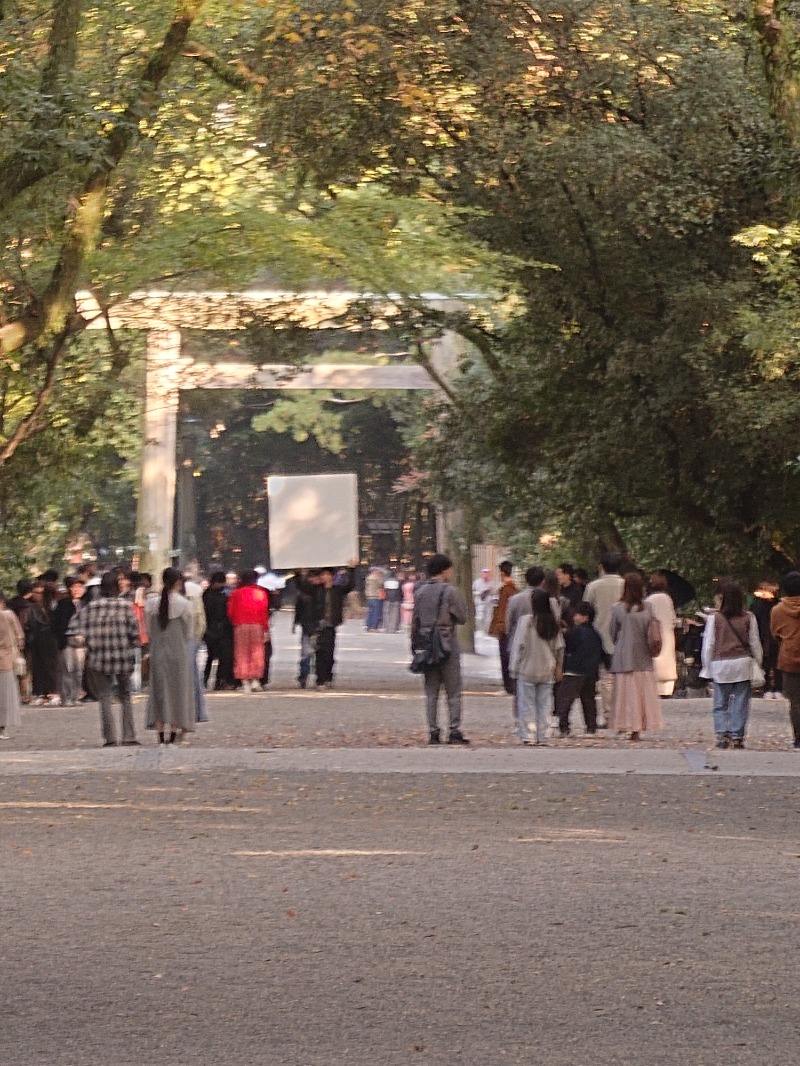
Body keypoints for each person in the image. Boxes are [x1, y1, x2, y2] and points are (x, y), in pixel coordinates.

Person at [68, 571, 140, 747]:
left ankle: (110, 738)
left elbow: (72, 631)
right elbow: (134, 634)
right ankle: (129, 735)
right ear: (117, 587)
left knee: (105, 697)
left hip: (98, 658)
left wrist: (84, 642)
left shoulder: (90, 608)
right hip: (123, 658)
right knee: (125, 696)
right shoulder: (126, 606)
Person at [411, 553, 469, 744]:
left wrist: (415, 646)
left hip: (427, 644)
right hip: (447, 642)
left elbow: (415, 622)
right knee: (453, 690)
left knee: (431, 691)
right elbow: (462, 617)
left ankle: (433, 731)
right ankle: (454, 729)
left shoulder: (419, 592)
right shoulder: (450, 592)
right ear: (444, 570)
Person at [701, 579, 762, 749]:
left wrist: (707, 666)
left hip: (721, 664)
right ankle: (737, 736)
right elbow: (754, 642)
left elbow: (709, 644)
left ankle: (722, 734)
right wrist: (758, 661)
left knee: (720, 702)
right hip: (742, 663)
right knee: (741, 702)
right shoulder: (749, 617)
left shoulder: (715, 618)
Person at [609, 572, 663, 741]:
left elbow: (612, 632)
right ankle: (639, 726)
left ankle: (625, 723)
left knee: (625, 694)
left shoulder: (617, 608)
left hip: (623, 657)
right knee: (641, 694)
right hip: (643, 657)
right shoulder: (648, 608)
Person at [145, 568, 196, 743]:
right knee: (178, 692)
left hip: (158, 651)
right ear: (178, 583)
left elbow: (149, 630)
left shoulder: (151, 604)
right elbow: (189, 633)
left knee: (159, 691)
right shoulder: (186, 605)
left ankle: (159, 732)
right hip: (178, 652)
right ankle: (174, 731)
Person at [509, 588, 564, 745]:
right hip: (547, 668)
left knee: (527, 703)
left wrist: (514, 667)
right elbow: (559, 647)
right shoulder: (552, 623)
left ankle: (529, 734)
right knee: (545, 703)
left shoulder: (526, 621)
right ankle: (543, 734)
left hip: (527, 668)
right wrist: (559, 666)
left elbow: (519, 644)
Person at [585, 553, 625, 727]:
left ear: (601, 566)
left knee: (605, 677)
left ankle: (609, 714)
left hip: (598, 634)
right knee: (621, 676)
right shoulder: (625, 585)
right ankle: (622, 714)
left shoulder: (593, 586)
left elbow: (586, 609)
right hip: (622, 635)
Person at [555, 601, 604, 736]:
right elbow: (601, 652)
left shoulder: (576, 631)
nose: (574, 617)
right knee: (588, 700)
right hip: (590, 671)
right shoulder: (595, 634)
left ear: (585, 617)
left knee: (565, 698)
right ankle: (591, 726)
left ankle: (564, 726)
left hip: (574, 669)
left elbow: (568, 646)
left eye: (577, 614)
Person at [769, 571, 800, 749]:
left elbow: (775, 634)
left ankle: (798, 736)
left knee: (795, 702)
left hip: (789, 659)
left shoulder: (778, 610)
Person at [312, 565, 356, 688]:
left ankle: (328, 677)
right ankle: (320, 679)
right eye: (322, 575)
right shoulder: (316, 590)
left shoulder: (337, 590)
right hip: (319, 625)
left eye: (326, 574)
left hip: (331, 625)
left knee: (330, 653)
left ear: (332, 576)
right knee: (320, 653)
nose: (324, 577)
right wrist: (299, 574)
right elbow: (303, 587)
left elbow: (350, 585)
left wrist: (352, 570)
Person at [227, 570, 270, 693]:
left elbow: (230, 612)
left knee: (241, 653)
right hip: (257, 625)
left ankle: (244, 681)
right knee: (257, 653)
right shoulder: (261, 593)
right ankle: (255, 679)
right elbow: (264, 612)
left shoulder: (236, 593)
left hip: (241, 625)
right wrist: (265, 629)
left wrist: (235, 621)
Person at [52, 575, 86, 706]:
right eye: (75, 587)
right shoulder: (63, 604)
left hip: (82, 641)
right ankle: (66, 698)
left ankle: (75, 696)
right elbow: (57, 624)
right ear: (69, 588)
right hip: (67, 640)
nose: (77, 589)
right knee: (67, 669)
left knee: (79, 670)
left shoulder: (85, 604)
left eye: (80, 587)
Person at [27, 580, 61, 706]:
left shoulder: (53, 606)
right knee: (40, 667)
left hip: (49, 639)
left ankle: (54, 692)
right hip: (40, 639)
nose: (38, 595)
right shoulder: (35, 607)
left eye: (41, 593)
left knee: (51, 667)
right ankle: (44, 693)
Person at [488, 561, 518, 695]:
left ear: (502, 572)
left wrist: (498, 626)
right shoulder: (514, 588)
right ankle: (511, 685)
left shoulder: (505, 589)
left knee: (505, 657)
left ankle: (509, 686)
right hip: (511, 627)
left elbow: (501, 610)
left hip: (505, 627)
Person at [646, 573, 678, 697]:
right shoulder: (667, 598)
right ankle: (667, 688)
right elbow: (673, 619)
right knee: (667, 661)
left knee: (655, 660)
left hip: (653, 635)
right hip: (667, 635)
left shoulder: (648, 601)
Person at [202, 571, 234, 690]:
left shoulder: (205, 595)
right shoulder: (221, 596)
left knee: (212, 656)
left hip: (211, 629)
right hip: (218, 629)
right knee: (220, 657)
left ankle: (209, 680)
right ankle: (217, 681)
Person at [0, 592, 24, 740]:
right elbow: (19, 636)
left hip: (5, 659)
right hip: (6, 660)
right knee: (4, 695)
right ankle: (2, 727)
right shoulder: (9, 616)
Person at [751, 581, 781, 699]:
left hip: (773, 639)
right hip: (765, 639)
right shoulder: (758, 605)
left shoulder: (777, 605)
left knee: (776, 665)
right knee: (767, 664)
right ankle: (768, 687)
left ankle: (777, 687)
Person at [293, 571, 322, 689]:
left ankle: (319, 677)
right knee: (306, 654)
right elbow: (298, 611)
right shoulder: (303, 595)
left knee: (318, 654)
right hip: (307, 626)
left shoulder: (323, 592)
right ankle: (303, 676)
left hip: (320, 626)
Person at [472, 567, 494, 632]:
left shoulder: (491, 582)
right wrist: (480, 592)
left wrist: (490, 590)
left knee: (488, 618)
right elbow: (473, 591)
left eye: (487, 573)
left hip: (488, 602)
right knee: (479, 617)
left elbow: (494, 592)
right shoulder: (476, 582)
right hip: (479, 602)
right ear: (481, 574)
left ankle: (486, 631)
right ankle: (479, 631)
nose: (486, 575)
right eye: (484, 573)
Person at [364, 566, 385, 632]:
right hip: (375, 596)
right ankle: (374, 627)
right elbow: (381, 584)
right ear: (374, 571)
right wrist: (381, 577)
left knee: (370, 612)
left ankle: (368, 625)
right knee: (376, 612)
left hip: (369, 596)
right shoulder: (376, 578)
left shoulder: (368, 577)